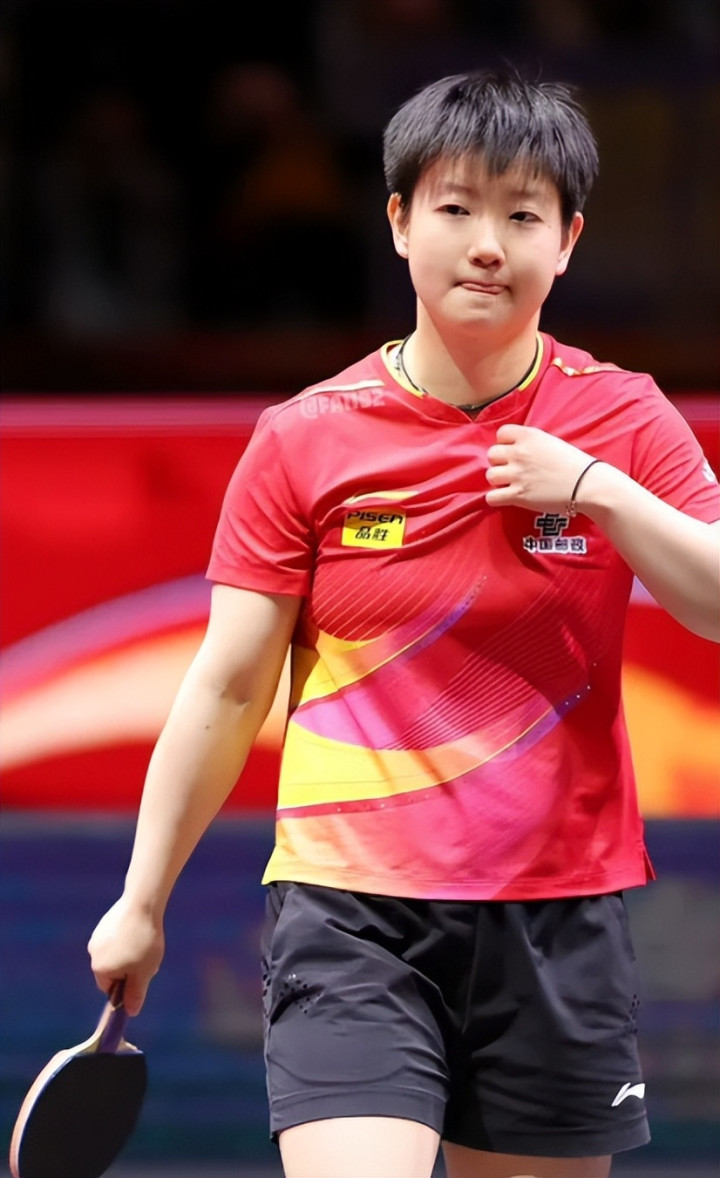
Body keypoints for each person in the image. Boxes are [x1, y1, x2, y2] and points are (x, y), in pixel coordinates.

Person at [88, 68, 720, 1178]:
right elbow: (229, 685)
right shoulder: (306, 437)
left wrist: (600, 491)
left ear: (568, 241)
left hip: (558, 915)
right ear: (398, 221)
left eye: (522, 216)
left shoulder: (621, 416)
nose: (487, 245)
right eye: (456, 207)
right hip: (353, 915)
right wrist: (143, 899)